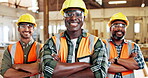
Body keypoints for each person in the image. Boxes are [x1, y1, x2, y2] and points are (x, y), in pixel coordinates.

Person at [39, 0, 108, 78]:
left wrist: (60, 67)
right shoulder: (52, 42)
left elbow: (100, 72)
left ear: (83, 17)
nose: (73, 18)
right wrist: (85, 65)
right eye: (69, 14)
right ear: (64, 18)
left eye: (78, 14)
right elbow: (47, 70)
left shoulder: (95, 42)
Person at [0, 13, 43, 78]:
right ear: (18, 29)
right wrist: (30, 72)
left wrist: (18, 66)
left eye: (30, 26)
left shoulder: (41, 48)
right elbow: (5, 72)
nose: (26, 29)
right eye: (23, 26)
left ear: (33, 29)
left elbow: (42, 67)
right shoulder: (10, 49)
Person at [103, 12, 145, 78]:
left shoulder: (133, 46)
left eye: (123, 26)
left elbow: (140, 64)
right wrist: (130, 65)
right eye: (116, 26)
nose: (120, 29)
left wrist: (116, 60)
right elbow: (101, 66)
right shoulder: (103, 44)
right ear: (110, 28)